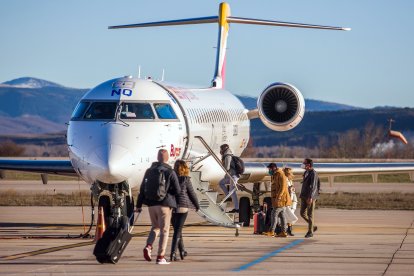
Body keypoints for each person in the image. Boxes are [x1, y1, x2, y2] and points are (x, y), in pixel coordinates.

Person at [136, 149, 181, 265]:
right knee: (164, 230)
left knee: (155, 227)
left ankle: (149, 246)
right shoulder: (169, 171)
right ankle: (161, 257)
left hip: (151, 205)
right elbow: (177, 190)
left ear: (157, 157)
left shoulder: (149, 171)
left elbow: (142, 189)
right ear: (167, 158)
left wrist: (139, 205)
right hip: (165, 205)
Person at [170, 160, 200, 262]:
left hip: (173, 207)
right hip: (183, 207)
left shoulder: (171, 179)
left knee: (177, 230)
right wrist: (197, 205)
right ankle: (173, 253)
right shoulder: (186, 179)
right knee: (177, 231)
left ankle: (182, 250)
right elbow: (192, 194)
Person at [266, 162, 291, 237]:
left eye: (270, 169)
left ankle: (272, 231)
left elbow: (283, 187)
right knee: (282, 215)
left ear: (273, 168)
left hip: (280, 199)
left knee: (274, 214)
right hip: (277, 198)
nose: (269, 170)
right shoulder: (274, 175)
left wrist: (279, 197)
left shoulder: (280, 174)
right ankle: (283, 232)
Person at [300, 158, 320, 238]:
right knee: (302, 213)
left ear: (308, 165)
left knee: (310, 214)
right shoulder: (306, 172)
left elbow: (313, 186)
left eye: (304, 163)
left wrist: (310, 197)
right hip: (304, 196)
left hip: (310, 197)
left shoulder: (313, 173)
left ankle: (310, 232)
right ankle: (312, 227)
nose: (303, 164)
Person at [218, 144, 239, 213]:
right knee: (221, 183)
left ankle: (237, 208)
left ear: (224, 149)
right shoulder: (226, 156)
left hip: (233, 176)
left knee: (232, 192)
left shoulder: (227, 156)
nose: (220, 151)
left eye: (221, 149)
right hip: (230, 176)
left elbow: (227, 168)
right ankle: (228, 196)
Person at [283, 167, 298, 236]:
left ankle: (288, 229)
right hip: (287, 200)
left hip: (292, 199)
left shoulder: (290, 180)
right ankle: (288, 229)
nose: (291, 174)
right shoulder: (284, 180)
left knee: (289, 216)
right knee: (289, 216)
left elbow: (291, 190)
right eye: (289, 173)